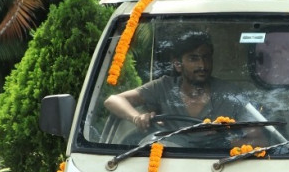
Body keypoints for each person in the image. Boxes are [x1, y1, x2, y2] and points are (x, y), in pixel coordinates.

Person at [105, 31, 253, 128]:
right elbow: (113, 100)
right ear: (177, 64)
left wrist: (228, 138)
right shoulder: (163, 87)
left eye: (206, 57)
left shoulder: (230, 94)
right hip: (167, 160)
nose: (202, 65)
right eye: (193, 59)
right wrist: (137, 118)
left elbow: (256, 136)